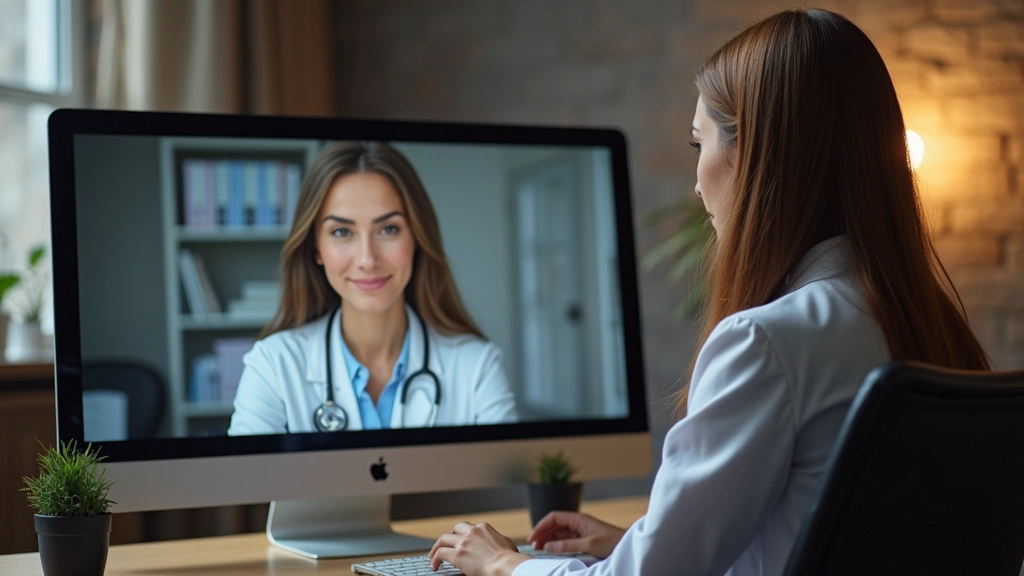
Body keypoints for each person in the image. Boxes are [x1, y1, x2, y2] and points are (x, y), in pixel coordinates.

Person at [426, 9, 990, 576]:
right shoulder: (940, 330)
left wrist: (503, 564)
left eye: (700, 146)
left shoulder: (767, 342)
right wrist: (644, 541)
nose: (696, 182)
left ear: (754, 152)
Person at [228, 141, 518, 435]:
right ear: (315, 248)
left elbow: (506, 480)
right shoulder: (272, 366)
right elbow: (243, 481)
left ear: (416, 236)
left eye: (388, 229)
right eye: (342, 232)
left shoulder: (478, 366)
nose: (367, 259)